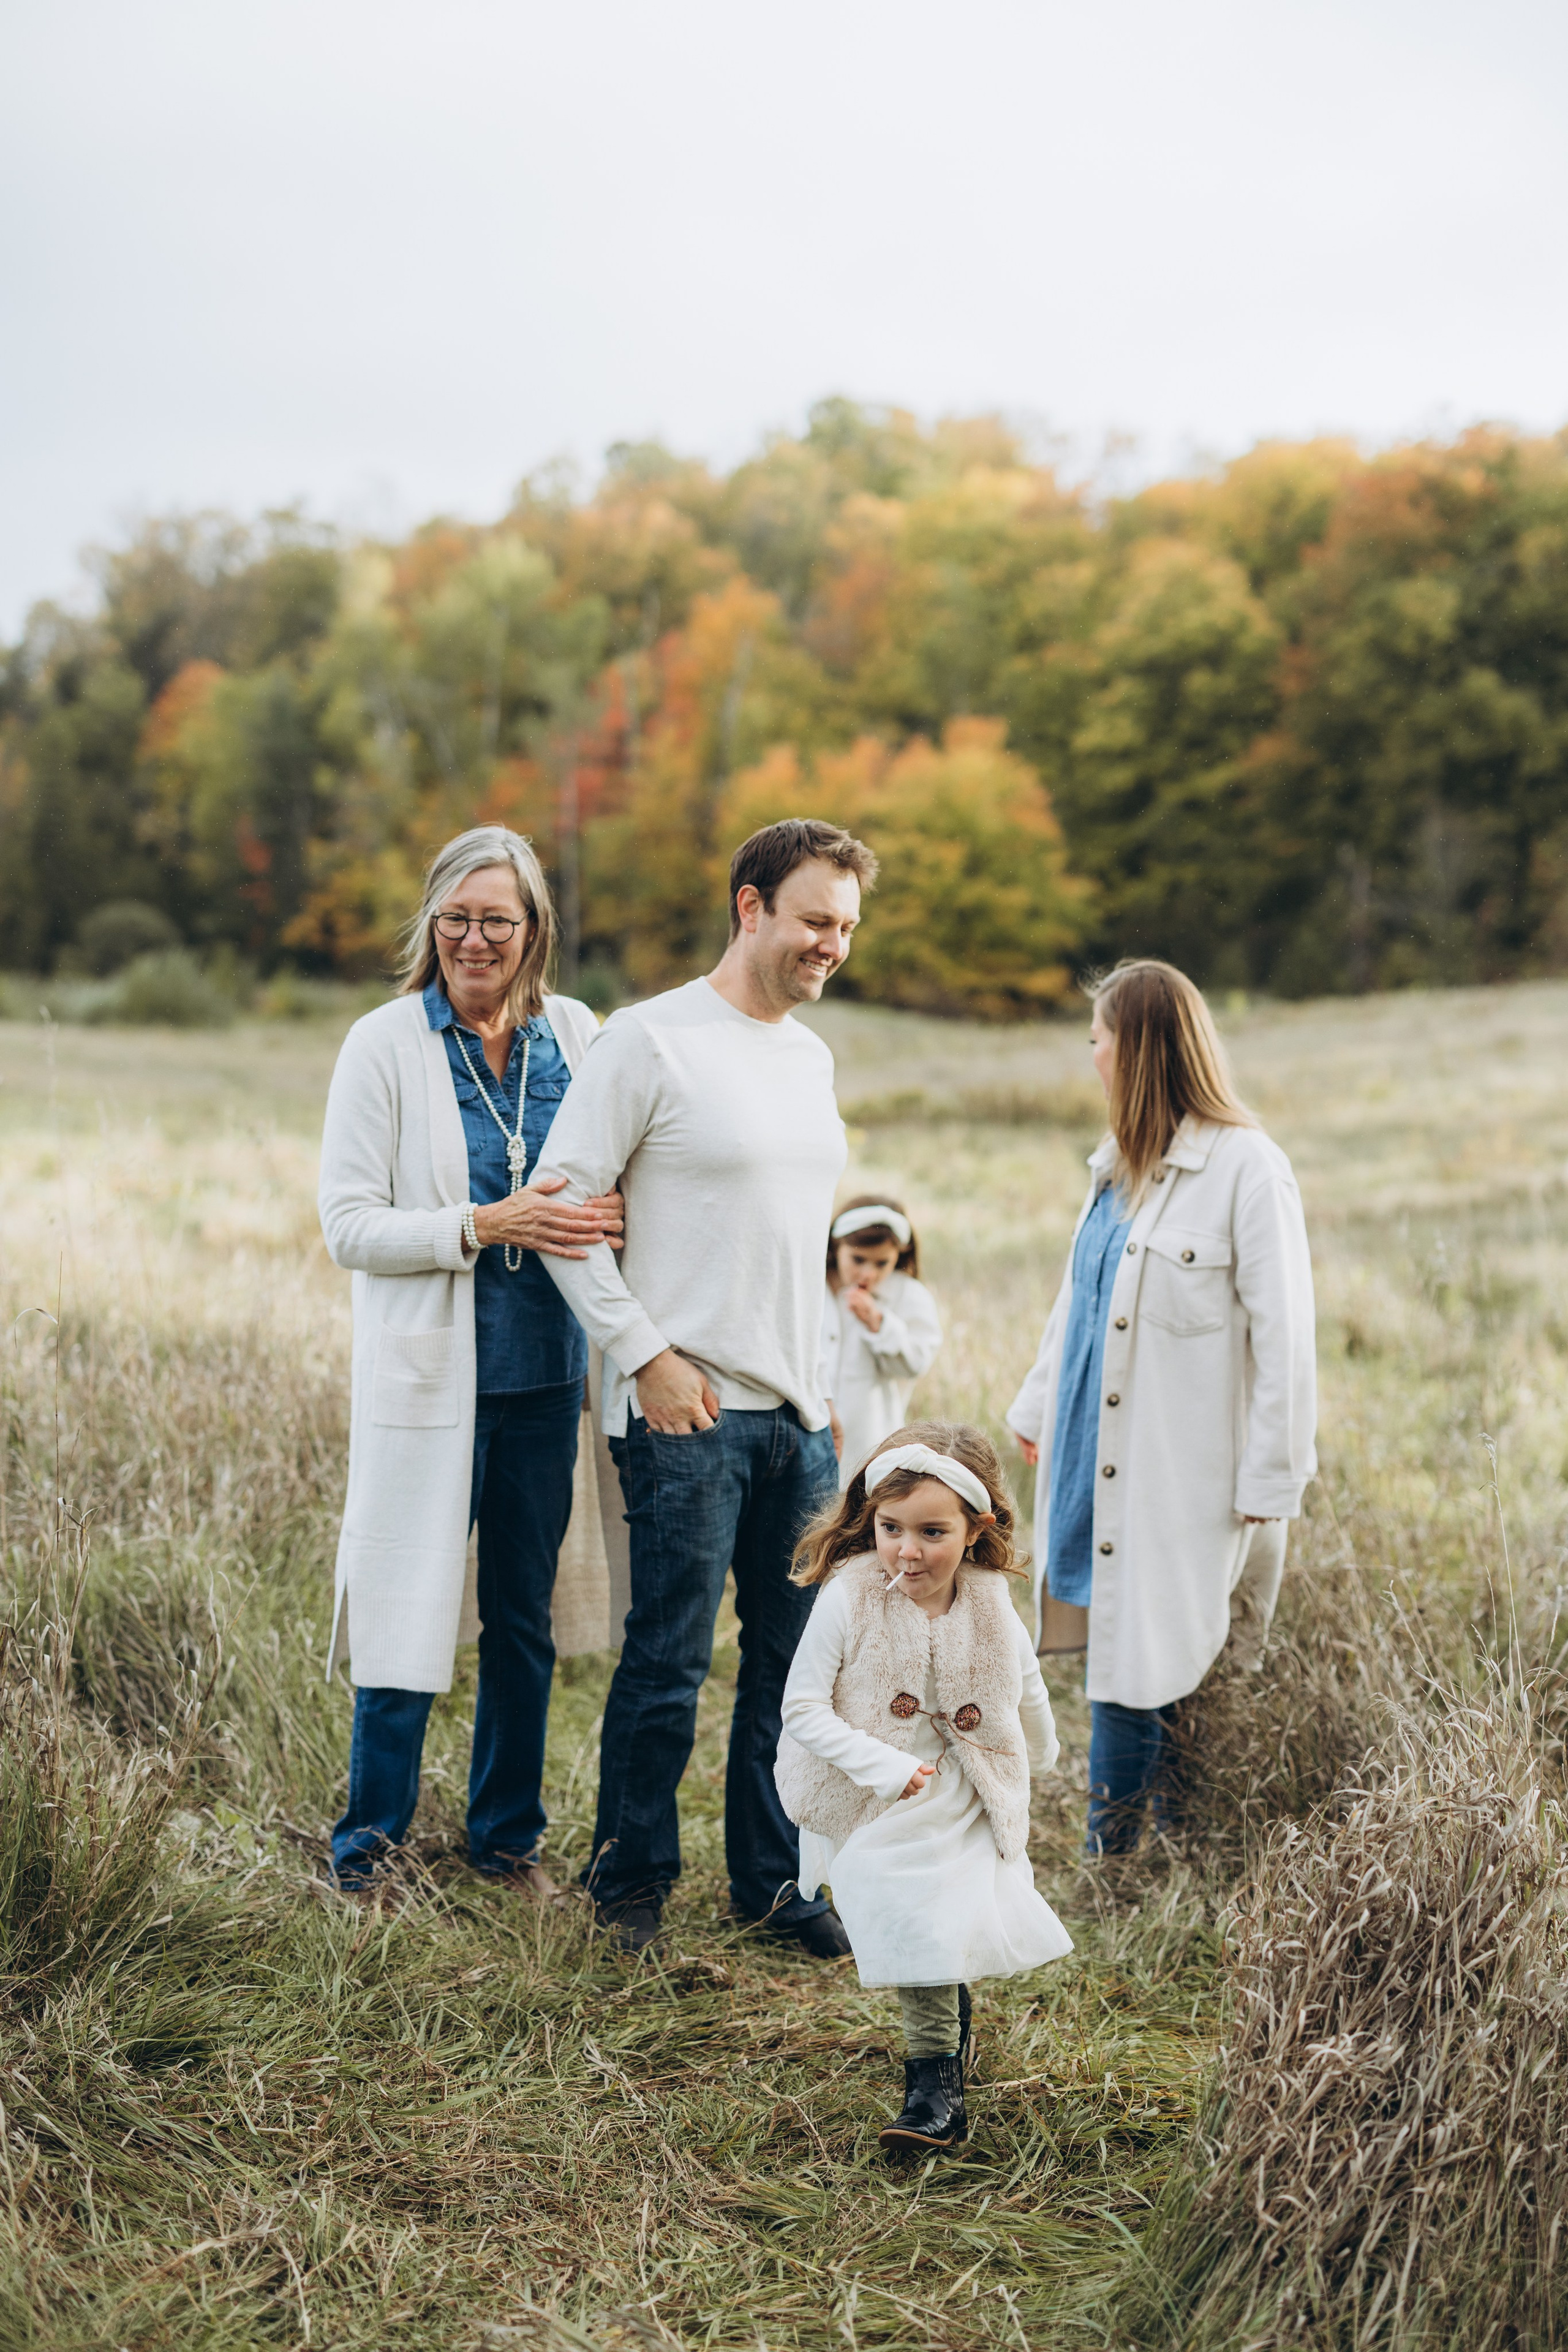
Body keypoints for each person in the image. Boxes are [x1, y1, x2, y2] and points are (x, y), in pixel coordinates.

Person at [534, 818, 879, 1956]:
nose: (833, 946)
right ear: (750, 907)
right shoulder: (649, 1042)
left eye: (847, 928)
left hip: (797, 1421)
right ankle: (629, 1891)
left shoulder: (812, 1057)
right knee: (670, 1661)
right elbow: (561, 1211)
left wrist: (820, 1382)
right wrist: (646, 1353)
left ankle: (772, 1888)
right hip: (686, 1414)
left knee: (794, 1670)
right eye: (815, 921)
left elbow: (790, 1235)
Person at [318, 824, 625, 1893]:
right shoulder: (385, 1043)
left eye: (498, 919)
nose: (475, 938)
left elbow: (618, 1179)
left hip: (549, 1385)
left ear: (534, 928)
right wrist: (480, 1226)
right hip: (429, 1386)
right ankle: (368, 1847)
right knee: (405, 1610)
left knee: (521, 1625)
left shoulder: (580, 1034)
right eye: (457, 916)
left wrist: (621, 1214)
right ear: (432, 923)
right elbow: (349, 1225)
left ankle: (504, 1842)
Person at [1006, 958, 1317, 1853]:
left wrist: (1272, 1473)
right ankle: (1162, 1842)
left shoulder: (1246, 1167)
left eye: (1099, 1037)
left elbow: (1284, 1331)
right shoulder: (1114, 1166)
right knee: (1129, 1638)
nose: (1090, 1052)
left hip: (1184, 1463)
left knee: (1146, 1648)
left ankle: (1121, 1857)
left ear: (1135, 1049)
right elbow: (1078, 1302)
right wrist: (1035, 1408)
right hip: (1096, 1443)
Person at [776, 1422, 1072, 2152]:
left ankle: (933, 2089)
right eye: (890, 1528)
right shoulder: (850, 1598)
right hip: (873, 1794)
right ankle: (943, 2064)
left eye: (932, 1532)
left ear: (977, 1529)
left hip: (965, 1785)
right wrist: (885, 1766)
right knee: (916, 1912)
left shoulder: (986, 1600)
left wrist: (1040, 1750)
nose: (908, 1551)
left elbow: (1023, 1680)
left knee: (937, 1924)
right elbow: (802, 1708)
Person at [820, 1197, 943, 1487]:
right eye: (858, 1260)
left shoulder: (909, 1296)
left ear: (899, 1255)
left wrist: (879, 1323)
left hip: (870, 1438)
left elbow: (916, 1362)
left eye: (881, 1263)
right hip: (810, 1430)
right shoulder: (814, 1286)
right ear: (837, 1246)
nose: (868, 1274)